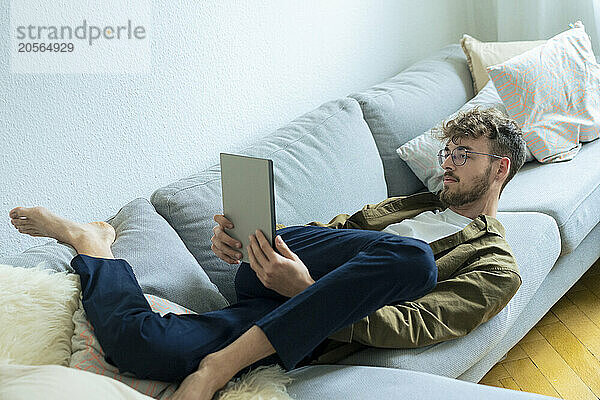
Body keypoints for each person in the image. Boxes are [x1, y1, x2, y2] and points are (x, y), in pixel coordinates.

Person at [9, 106, 526, 400]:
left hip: (301, 316)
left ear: (499, 168)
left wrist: (303, 290)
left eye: (463, 155)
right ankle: (224, 344)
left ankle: (92, 245)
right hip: (279, 274)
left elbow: (416, 326)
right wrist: (246, 244)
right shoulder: (407, 205)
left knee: (140, 345)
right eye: (448, 151)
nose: (448, 164)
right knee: (409, 255)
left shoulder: (495, 264)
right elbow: (329, 234)